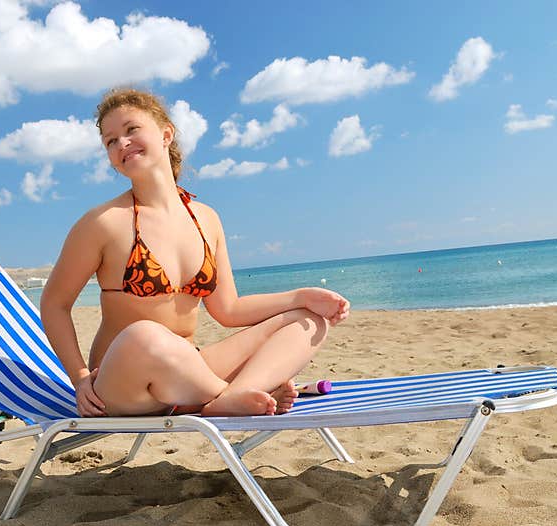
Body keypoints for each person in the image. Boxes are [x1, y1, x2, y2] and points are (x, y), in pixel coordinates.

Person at [40, 88, 350, 418]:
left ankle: (228, 397)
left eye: (131, 130)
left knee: (309, 322)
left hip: (188, 373)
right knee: (144, 335)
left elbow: (228, 310)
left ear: (165, 135)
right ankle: (229, 395)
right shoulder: (102, 223)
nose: (121, 144)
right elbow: (55, 303)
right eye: (110, 141)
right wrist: (81, 379)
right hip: (123, 383)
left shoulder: (206, 219)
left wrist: (301, 297)